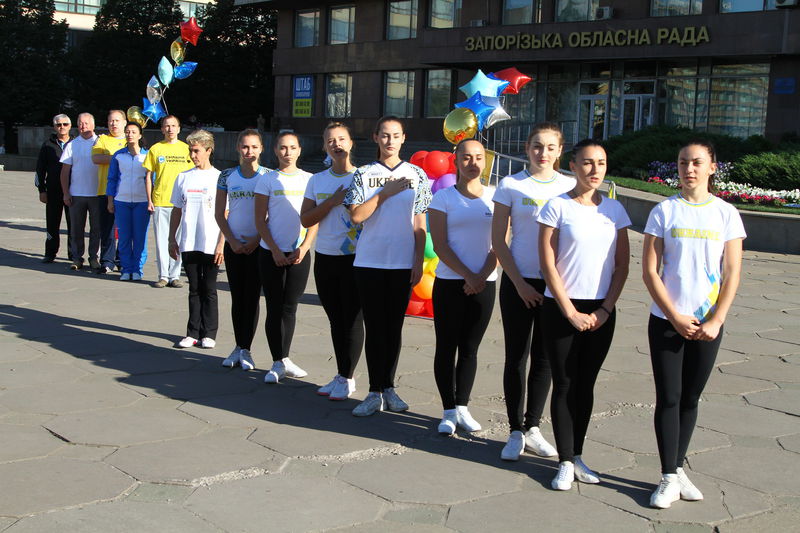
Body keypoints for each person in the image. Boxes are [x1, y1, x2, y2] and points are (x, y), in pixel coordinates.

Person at [643, 141, 745, 509]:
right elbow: (650, 271)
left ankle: (678, 466)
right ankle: (669, 476)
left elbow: (732, 271)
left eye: (697, 162)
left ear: (712, 167)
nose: (689, 169)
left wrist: (717, 318)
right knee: (668, 398)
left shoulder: (726, 214)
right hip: (667, 321)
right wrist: (672, 315)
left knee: (690, 398)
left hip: (708, 324)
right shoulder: (664, 211)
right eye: (684, 162)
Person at [537, 139, 631, 491]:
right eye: (588, 163)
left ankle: (577, 455)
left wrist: (605, 308)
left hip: (601, 310)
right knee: (563, 383)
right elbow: (547, 263)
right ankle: (563, 461)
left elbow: (622, 266)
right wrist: (569, 311)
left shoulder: (615, 211)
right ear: (572, 166)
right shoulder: (556, 207)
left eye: (601, 163)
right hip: (561, 306)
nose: (595, 170)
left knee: (585, 385)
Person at [492, 123, 574, 461]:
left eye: (550, 147)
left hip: (556, 287)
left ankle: (533, 427)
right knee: (516, 357)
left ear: (559, 151)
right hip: (517, 281)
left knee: (545, 360)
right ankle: (514, 430)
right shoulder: (511, 185)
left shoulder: (570, 186)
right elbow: (499, 239)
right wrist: (521, 284)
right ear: (527, 148)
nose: (543, 152)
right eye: (537, 146)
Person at [343, 115, 432, 417]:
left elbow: (420, 221)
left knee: (393, 328)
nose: (390, 140)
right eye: (384, 135)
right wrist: (385, 193)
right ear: (375, 138)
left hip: (402, 263)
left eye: (395, 135)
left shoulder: (417, 175)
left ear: (404, 138)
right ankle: (373, 392)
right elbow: (356, 216)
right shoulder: (364, 174)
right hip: (369, 262)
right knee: (374, 327)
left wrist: (418, 261)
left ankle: (389, 387)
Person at [429, 139, 497, 434]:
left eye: (478, 157)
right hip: (449, 283)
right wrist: (468, 276)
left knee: (470, 348)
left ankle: (463, 407)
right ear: (455, 161)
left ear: (485, 161)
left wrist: (481, 276)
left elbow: (500, 244)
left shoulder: (496, 197)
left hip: (485, 283)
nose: (473, 163)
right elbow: (441, 245)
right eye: (466, 158)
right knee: (446, 347)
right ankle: (447, 411)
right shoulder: (443, 198)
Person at [300, 122, 363, 401]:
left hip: (356, 258)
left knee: (351, 319)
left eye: (341, 139)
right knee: (335, 319)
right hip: (325, 257)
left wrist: (347, 202)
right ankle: (340, 373)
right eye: (330, 141)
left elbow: (369, 217)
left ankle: (348, 378)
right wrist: (332, 201)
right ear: (325, 146)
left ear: (350, 143)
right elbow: (306, 219)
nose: (336, 144)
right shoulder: (317, 180)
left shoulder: (363, 177)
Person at [254, 132, 317, 384]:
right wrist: (275, 250)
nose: (287, 152)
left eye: (292, 147)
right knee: (274, 306)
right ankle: (277, 361)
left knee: (290, 307)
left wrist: (304, 247)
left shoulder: (310, 180)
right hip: (271, 253)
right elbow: (260, 220)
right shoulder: (267, 180)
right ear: (276, 151)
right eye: (283, 147)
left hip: (299, 254)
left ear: (300, 150)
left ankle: (286, 358)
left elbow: (314, 220)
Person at [215, 129, 270, 370]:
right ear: (238, 148)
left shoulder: (268, 176)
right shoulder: (227, 176)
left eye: (254, 147)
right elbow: (219, 213)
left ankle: (246, 349)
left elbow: (272, 215)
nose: (249, 152)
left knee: (252, 298)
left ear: (261, 149)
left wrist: (257, 240)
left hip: (260, 246)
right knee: (238, 298)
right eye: (245, 147)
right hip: (234, 247)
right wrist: (232, 241)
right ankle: (238, 346)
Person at [168, 130, 224, 349]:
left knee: (209, 288)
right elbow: (177, 210)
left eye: (197, 150)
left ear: (209, 150)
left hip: (211, 243)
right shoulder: (183, 177)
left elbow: (225, 214)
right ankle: (192, 332)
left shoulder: (219, 177)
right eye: (191, 150)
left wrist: (221, 243)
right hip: (189, 241)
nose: (193, 155)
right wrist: (173, 238)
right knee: (193, 287)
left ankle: (209, 333)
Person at [144, 115, 193, 287]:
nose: (170, 129)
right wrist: (149, 199)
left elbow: (193, 176)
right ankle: (163, 275)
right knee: (162, 239)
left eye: (174, 126)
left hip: (180, 203)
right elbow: (148, 176)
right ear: (162, 129)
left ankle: (174, 275)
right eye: (167, 126)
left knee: (179, 240)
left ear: (179, 129)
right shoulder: (156, 149)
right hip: (161, 201)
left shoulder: (187, 149)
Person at [106, 122, 150, 281]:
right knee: (124, 237)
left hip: (142, 202)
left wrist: (151, 201)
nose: (130, 134)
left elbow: (152, 179)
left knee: (140, 237)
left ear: (139, 135)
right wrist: (110, 201)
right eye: (127, 132)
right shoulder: (118, 155)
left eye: (133, 132)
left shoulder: (148, 155)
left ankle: (137, 269)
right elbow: (112, 179)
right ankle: (126, 268)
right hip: (122, 201)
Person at [60, 113, 100, 271]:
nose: (83, 126)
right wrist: (66, 192)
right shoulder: (72, 144)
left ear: (93, 125)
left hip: (97, 194)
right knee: (76, 228)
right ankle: (77, 258)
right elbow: (64, 171)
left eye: (86, 123)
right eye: (80, 123)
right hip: (76, 194)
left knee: (96, 228)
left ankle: (94, 258)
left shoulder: (100, 142)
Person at [91, 110, 127, 274]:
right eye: (111, 121)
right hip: (105, 191)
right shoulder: (102, 139)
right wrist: (120, 156)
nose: (114, 124)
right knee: (107, 229)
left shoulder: (130, 138)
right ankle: (107, 260)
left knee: (125, 229)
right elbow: (97, 158)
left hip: (127, 192)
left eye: (117, 120)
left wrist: (112, 157)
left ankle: (122, 260)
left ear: (124, 122)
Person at [35, 114, 73, 263]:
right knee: (52, 223)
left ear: (70, 126)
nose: (62, 127)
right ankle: (50, 252)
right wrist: (41, 190)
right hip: (53, 191)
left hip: (73, 190)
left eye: (65, 124)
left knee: (74, 224)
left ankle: (73, 253)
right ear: (54, 127)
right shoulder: (47, 145)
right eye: (58, 125)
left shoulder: (76, 143)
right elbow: (40, 169)